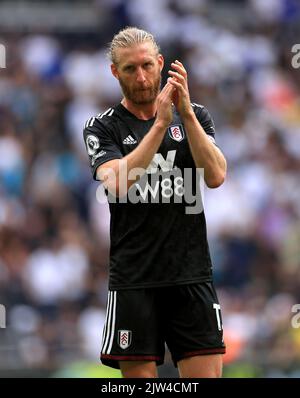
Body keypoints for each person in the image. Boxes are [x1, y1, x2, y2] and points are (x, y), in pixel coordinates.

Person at [83, 26, 227, 378]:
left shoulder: (195, 116)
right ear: (115, 71)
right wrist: (160, 125)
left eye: (147, 65)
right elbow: (116, 182)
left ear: (161, 63)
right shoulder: (103, 128)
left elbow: (216, 175)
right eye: (130, 69)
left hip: (191, 275)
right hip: (135, 281)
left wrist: (185, 116)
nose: (142, 77)